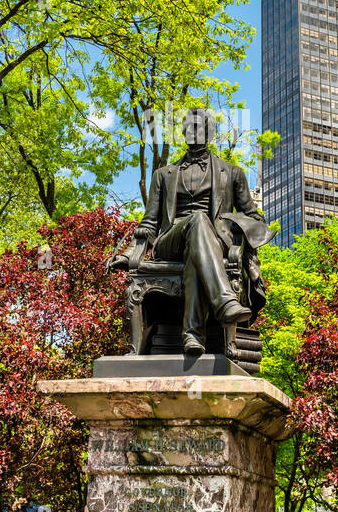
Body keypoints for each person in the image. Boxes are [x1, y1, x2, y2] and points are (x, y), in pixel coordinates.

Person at [110, 108, 269, 355]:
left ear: (211, 133)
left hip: (211, 245)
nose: (193, 132)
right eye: (189, 127)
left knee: (198, 250)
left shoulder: (233, 173)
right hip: (170, 244)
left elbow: (254, 216)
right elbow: (149, 223)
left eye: (200, 127)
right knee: (197, 219)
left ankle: (193, 337)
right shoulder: (163, 175)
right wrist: (131, 251)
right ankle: (225, 300)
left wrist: (236, 228)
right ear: (183, 133)